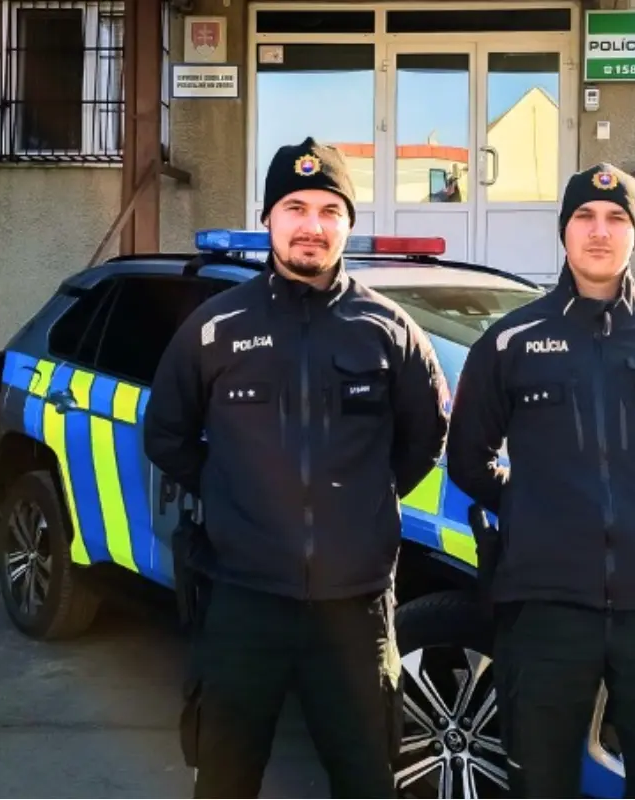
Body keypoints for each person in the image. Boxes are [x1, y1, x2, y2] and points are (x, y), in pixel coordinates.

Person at [144, 136, 450, 799]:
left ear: (347, 222)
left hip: (355, 609)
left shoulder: (390, 331)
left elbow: (423, 438)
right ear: (268, 220)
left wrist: (362, 503)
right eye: (294, 207)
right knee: (224, 779)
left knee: (368, 779)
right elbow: (166, 434)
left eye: (328, 210)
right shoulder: (215, 328)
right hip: (242, 600)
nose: (312, 225)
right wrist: (232, 497)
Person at [446, 163, 635, 799]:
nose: (599, 232)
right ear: (563, 233)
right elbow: (469, 459)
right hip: (546, 613)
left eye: (616, 219)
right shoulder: (510, 344)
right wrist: (534, 510)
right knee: (539, 783)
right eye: (584, 217)